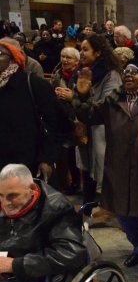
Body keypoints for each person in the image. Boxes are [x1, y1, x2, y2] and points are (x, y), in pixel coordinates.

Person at [74, 63, 138, 274]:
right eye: (125, 72)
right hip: (119, 166)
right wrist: (82, 95)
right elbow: (87, 115)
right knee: (122, 213)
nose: (129, 75)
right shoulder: (112, 101)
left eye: (135, 72)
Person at [0, 164, 86, 282]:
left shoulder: (56, 208)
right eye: (1, 195)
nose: (5, 203)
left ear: (32, 189)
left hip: (35, 278)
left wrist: (14, 265)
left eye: (12, 196)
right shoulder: (7, 199)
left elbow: (71, 253)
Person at [73, 35, 122, 204]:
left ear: (99, 52)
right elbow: (76, 101)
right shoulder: (82, 72)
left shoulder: (111, 75)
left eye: (85, 49)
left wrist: (85, 97)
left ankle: (109, 208)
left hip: (102, 130)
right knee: (87, 170)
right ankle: (88, 205)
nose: (81, 53)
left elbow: (108, 104)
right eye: (81, 49)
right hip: (86, 126)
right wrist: (79, 96)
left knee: (104, 171)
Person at [0, 41, 57, 181]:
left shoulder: (33, 84)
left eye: (0, 54)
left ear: (13, 58)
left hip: (28, 163)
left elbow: (56, 124)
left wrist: (47, 158)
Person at [50, 47, 80, 194]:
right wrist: (54, 94)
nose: (65, 60)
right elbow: (49, 93)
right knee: (66, 153)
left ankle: (79, 182)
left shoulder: (82, 74)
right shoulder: (57, 75)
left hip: (78, 118)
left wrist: (72, 96)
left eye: (68, 57)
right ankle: (69, 183)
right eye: (62, 56)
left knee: (77, 154)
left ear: (76, 60)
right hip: (62, 118)